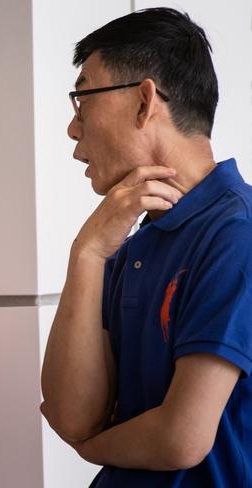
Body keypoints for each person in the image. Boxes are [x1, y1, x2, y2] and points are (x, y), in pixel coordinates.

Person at [41, 7, 252, 488]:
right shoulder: (128, 240)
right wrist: (86, 253)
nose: (74, 131)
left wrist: (94, 449)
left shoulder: (237, 233)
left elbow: (181, 438)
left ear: (144, 101)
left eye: (83, 99)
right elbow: (71, 415)